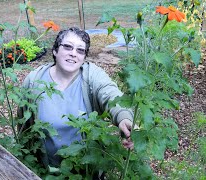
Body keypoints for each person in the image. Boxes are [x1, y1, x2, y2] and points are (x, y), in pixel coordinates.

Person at [17, 27, 134, 178]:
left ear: (84, 57)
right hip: (46, 171)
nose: (73, 53)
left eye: (80, 50)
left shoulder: (92, 76)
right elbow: (23, 127)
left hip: (87, 170)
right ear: (55, 51)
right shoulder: (34, 81)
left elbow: (110, 94)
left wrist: (124, 117)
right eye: (67, 47)